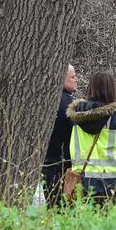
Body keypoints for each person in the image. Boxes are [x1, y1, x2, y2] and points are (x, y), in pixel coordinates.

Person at [66, 71, 116, 205]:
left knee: (87, 221)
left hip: (83, 178)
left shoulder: (77, 115)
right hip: (114, 180)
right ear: (111, 90)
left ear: (90, 88)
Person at [42, 64, 77, 208]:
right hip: (62, 163)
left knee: (53, 203)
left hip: (48, 162)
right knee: (63, 206)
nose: (76, 80)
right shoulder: (68, 104)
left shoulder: (46, 99)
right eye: (73, 77)